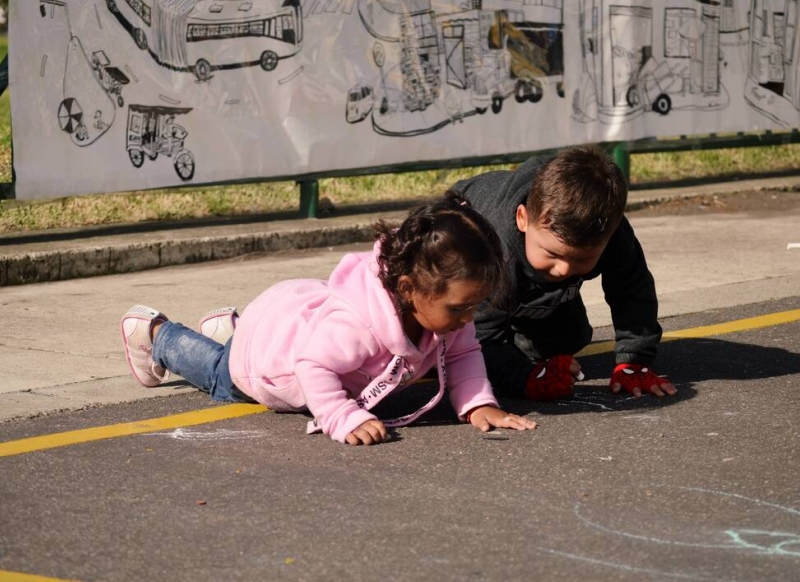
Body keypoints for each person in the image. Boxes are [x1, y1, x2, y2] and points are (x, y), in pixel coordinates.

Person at [120, 192, 537, 446]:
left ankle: (234, 328)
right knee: (219, 375)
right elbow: (312, 364)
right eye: (458, 308)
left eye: (473, 307)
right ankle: (158, 334)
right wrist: (341, 416)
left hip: (288, 325)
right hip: (274, 367)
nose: (468, 318)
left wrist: (479, 404)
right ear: (409, 289)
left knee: (244, 344)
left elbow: (465, 354)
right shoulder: (357, 326)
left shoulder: (441, 316)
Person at [451, 145, 677, 402]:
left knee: (569, 338)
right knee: (453, 341)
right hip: (459, 237)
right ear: (522, 219)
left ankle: (519, 337)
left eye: (582, 258)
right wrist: (526, 378)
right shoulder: (494, 249)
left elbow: (632, 291)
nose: (564, 269)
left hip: (518, 270)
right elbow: (480, 334)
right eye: (553, 254)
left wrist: (634, 361)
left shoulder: (612, 234)